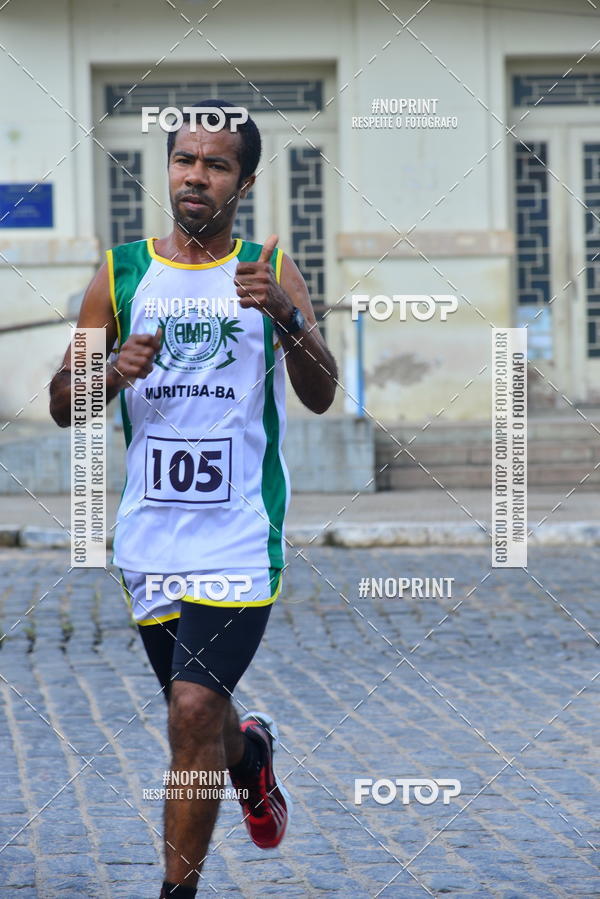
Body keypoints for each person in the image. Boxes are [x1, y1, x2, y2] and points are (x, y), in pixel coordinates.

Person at [49, 99, 338, 896]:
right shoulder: (121, 272)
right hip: (150, 536)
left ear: (241, 181)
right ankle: (252, 754)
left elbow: (321, 391)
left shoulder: (271, 270)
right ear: (167, 167)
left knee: (188, 712)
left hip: (239, 535)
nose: (194, 177)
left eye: (215, 165)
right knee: (203, 722)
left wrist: (286, 320)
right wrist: (109, 373)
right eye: (184, 160)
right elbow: (62, 399)